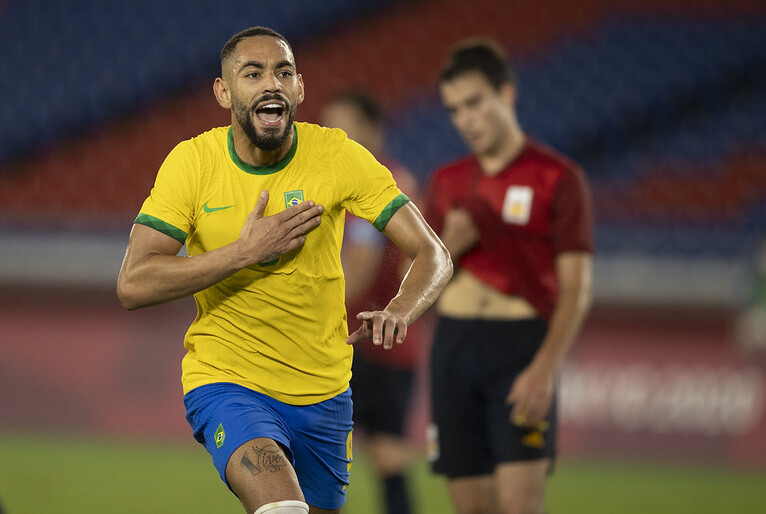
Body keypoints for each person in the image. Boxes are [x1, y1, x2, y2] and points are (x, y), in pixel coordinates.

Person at [116, 26, 452, 514]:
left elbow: (433, 254)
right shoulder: (192, 164)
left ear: (299, 89)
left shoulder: (339, 156)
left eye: (283, 72)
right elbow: (133, 283)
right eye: (252, 73)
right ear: (224, 91)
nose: (270, 83)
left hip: (324, 393)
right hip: (228, 380)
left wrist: (401, 308)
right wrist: (242, 252)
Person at [424, 38, 594, 514]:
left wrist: (544, 369)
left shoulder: (557, 178)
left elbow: (577, 290)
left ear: (507, 93)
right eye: (454, 110)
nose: (465, 120)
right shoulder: (446, 181)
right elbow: (411, 279)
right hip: (454, 348)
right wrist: (450, 247)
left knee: (519, 508)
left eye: (474, 102)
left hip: (520, 349)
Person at [321, 92, 424, 514]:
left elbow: (362, 263)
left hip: (365, 339)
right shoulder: (380, 180)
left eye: (343, 126)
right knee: (381, 454)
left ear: (373, 129)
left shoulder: (378, 184)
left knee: (330, 454)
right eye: (328, 126)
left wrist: (308, 311)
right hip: (385, 341)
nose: (333, 136)